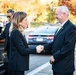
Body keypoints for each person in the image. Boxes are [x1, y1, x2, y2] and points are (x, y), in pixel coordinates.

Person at [41, 6, 76, 75]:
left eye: (57, 14)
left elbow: (68, 47)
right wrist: (43, 47)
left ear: (64, 14)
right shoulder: (61, 27)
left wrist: (55, 56)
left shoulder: (71, 28)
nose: (55, 16)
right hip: (58, 66)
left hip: (64, 68)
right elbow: (55, 43)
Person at [0, 9, 14, 75]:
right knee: (7, 67)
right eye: (7, 16)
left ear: (14, 16)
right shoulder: (8, 25)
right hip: (8, 49)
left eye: (9, 16)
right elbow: (2, 35)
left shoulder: (18, 25)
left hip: (15, 50)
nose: (8, 18)